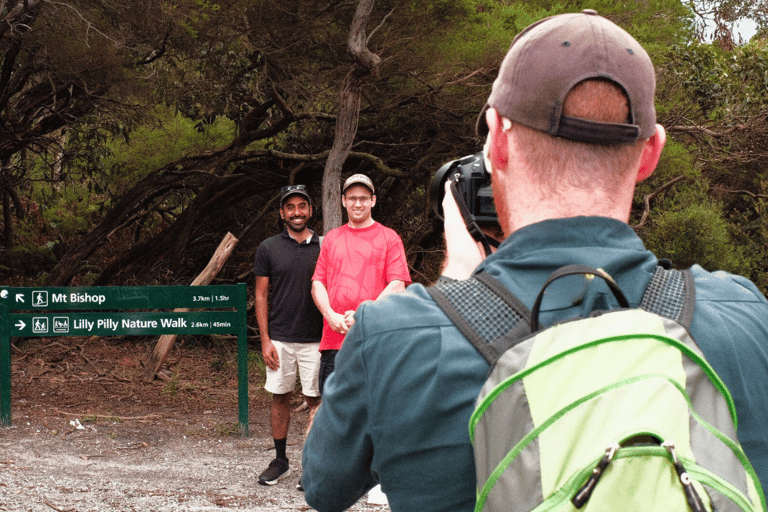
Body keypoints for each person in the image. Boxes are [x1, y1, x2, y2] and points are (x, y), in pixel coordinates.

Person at [301, 10, 768, 512]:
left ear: (496, 140)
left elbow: (323, 485)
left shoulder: (393, 338)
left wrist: (457, 290)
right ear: (651, 152)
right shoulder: (744, 318)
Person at [311, 173, 411, 395]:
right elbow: (318, 283)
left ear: (373, 201)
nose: (358, 203)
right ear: (343, 201)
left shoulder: (389, 238)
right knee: (331, 415)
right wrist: (330, 316)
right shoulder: (331, 239)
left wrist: (362, 316)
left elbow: (397, 285)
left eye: (364, 198)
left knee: (376, 415)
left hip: (375, 344)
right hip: (334, 343)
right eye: (352, 198)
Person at [253, 184, 323, 487]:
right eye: (291, 207)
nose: (297, 212)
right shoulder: (268, 248)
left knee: (315, 400)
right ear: (282, 213)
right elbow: (260, 295)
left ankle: (314, 465)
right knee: (280, 397)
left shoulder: (325, 246)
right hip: (280, 338)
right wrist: (265, 339)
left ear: (310, 210)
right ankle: (280, 461)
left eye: (302, 206)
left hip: (318, 338)